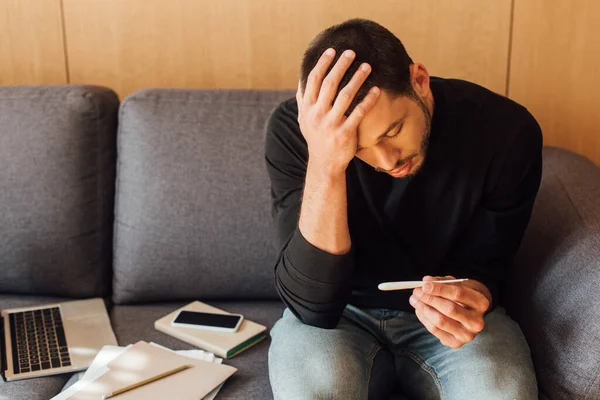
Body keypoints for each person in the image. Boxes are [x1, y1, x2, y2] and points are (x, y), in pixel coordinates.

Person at [265, 18, 541, 400]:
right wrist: (327, 163)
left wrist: (469, 296)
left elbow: (486, 267)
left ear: (420, 80)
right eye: (358, 148)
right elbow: (311, 305)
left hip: (448, 318)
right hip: (340, 316)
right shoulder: (293, 133)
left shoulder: (507, 132)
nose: (385, 160)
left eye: (392, 131)